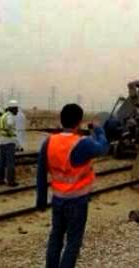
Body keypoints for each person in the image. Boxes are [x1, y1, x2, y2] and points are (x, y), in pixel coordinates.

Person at [36, 104, 109, 268]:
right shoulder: (82, 143)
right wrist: (98, 130)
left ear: (61, 120)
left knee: (55, 237)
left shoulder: (49, 142)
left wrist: (41, 200)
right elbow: (104, 148)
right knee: (73, 242)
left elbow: (40, 173)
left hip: (58, 199)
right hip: (77, 201)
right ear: (80, 122)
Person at [0, 100, 20, 186]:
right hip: (9, 142)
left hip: (1, 141)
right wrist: (14, 138)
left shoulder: (3, 116)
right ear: (12, 108)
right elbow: (10, 126)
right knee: (10, 163)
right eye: (16, 109)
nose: (17, 111)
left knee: (1, 162)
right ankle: (11, 181)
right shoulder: (10, 116)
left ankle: (0, 180)